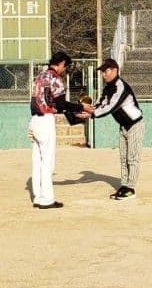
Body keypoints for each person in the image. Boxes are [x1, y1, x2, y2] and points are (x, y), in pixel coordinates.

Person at [81, 58, 145, 201]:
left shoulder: (121, 86)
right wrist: (89, 111)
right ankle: (124, 185)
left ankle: (131, 188)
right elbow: (101, 103)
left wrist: (93, 113)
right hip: (123, 125)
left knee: (132, 157)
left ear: (115, 70)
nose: (103, 74)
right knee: (123, 158)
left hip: (135, 124)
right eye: (102, 71)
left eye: (106, 71)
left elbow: (111, 106)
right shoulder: (108, 87)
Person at [28, 51, 82, 209]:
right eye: (65, 66)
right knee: (47, 162)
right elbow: (61, 104)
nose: (64, 70)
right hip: (45, 120)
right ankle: (47, 199)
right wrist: (80, 107)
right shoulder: (55, 78)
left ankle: (38, 197)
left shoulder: (40, 76)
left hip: (34, 120)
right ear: (61, 63)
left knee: (37, 161)